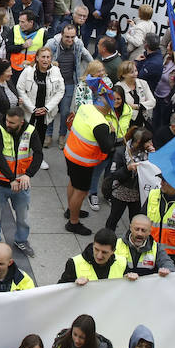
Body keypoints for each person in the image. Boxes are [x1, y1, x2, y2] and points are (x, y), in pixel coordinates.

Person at [63, 80, 118, 234]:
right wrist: (112, 132)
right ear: (108, 108)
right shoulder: (101, 123)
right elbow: (107, 147)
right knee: (80, 191)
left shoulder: (86, 107)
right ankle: (73, 222)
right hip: (83, 161)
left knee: (72, 183)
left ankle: (71, 210)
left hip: (71, 153)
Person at [0, 107, 40, 258]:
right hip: (0, 183)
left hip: (21, 185)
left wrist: (28, 175)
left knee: (23, 217)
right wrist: (11, 179)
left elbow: (38, 154)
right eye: (7, 121)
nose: (8, 124)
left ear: (21, 122)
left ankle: (21, 240)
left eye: (12, 122)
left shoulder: (30, 131)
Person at [58, 227, 134, 284]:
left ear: (113, 251)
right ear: (93, 245)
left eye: (104, 252)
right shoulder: (74, 263)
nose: (99, 256)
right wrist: (73, 285)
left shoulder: (122, 262)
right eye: (96, 249)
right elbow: (60, 291)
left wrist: (130, 279)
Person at [48, 314, 115, 348]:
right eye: (75, 334)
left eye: (82, 337)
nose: (77, 340)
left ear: (89, 337)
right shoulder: (60, 344)